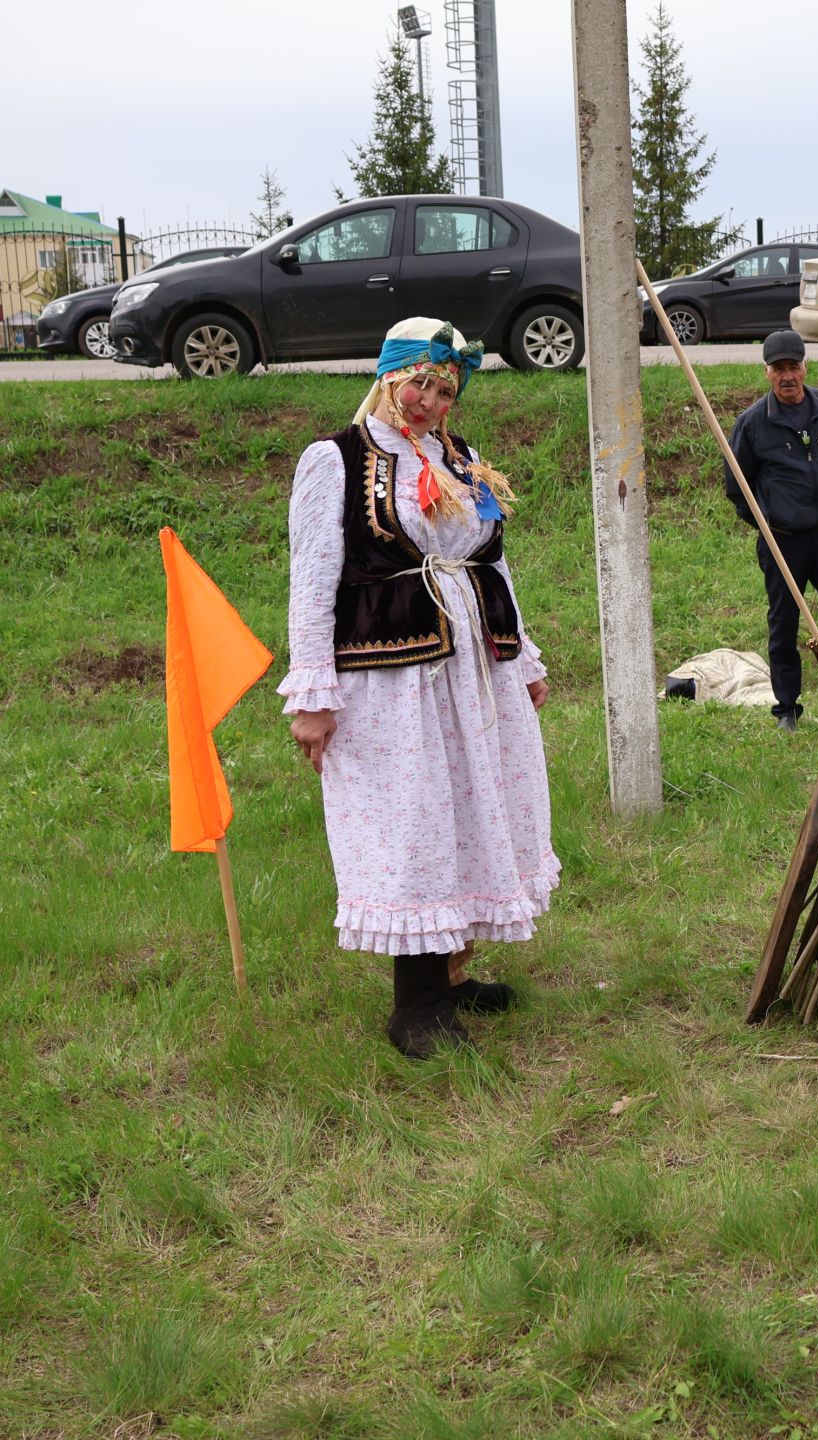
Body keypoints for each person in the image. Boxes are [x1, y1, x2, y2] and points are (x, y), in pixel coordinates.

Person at [280, 317, 559, 1059]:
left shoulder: (460, 460)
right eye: (423, 383)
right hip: (391, 679)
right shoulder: (335, 461)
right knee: (416, 819)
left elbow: (492, 564)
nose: (433, 402)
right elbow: (311, 584)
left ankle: (454, 977)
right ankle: (417, 1007)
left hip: (472, 667)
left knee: (473, 806)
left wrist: (520, 659)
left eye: (447, 390)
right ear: (389, 373)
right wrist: (313, 697)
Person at [724, 330, 818, 731]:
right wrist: (769, 523)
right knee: (783, 622)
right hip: (783, 541)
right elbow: (738, 487)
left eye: (794, 366)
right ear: (767, 372)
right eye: (779, 369)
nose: (787, 376)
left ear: (805, 366)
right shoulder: (752, 424)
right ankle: (787, 707)